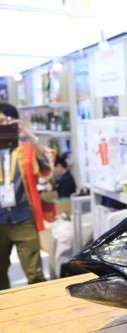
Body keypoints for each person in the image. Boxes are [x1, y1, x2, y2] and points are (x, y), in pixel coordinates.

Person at [0, 102, 55, 290]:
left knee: (35, 275)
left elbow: (47, 169)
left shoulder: (26, 148)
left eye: (2, 121)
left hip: (23, 217)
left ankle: (41, 314)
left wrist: (29, 137)